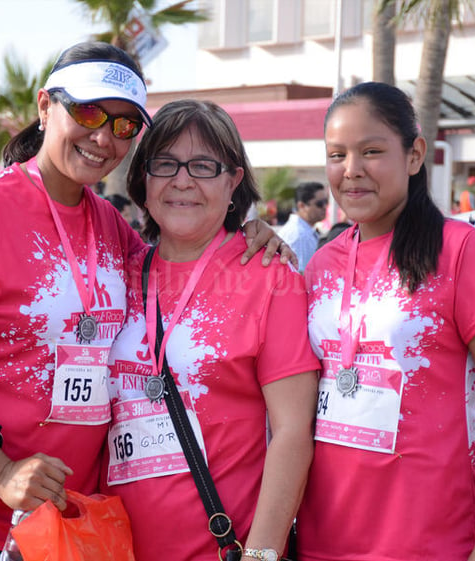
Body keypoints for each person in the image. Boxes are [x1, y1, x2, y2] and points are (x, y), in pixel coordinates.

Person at [0, 42, 289, 561]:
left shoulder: (112, 228)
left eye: (124, 125)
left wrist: (251, 232)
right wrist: (0, 471)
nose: (103, 136)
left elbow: (178, 264)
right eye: (87, 111)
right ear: (44, 107)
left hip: (70, 527)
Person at [296, 82, 475, 561]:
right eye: (337, 155)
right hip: (323, 543)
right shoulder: (320, 264)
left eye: (372, 151)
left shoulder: (459, 250)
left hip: (431, 542)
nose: (352, 171)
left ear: (414, 154)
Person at [104, 99, 319, 561]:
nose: (182, 181)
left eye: (203, 166)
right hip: (110, 545)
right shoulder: (116, 274)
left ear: (233, 180)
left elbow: (292, 432)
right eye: (165, 164)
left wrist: (261, 555)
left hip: (225, 548)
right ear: (144, 177)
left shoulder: (269, 278)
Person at [277, 181, 328, 272]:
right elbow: (301, 275)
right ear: (302, 206)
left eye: (326, 202)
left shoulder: (303, 231)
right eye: (319, 204)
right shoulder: (300, 236)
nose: (325, 207)